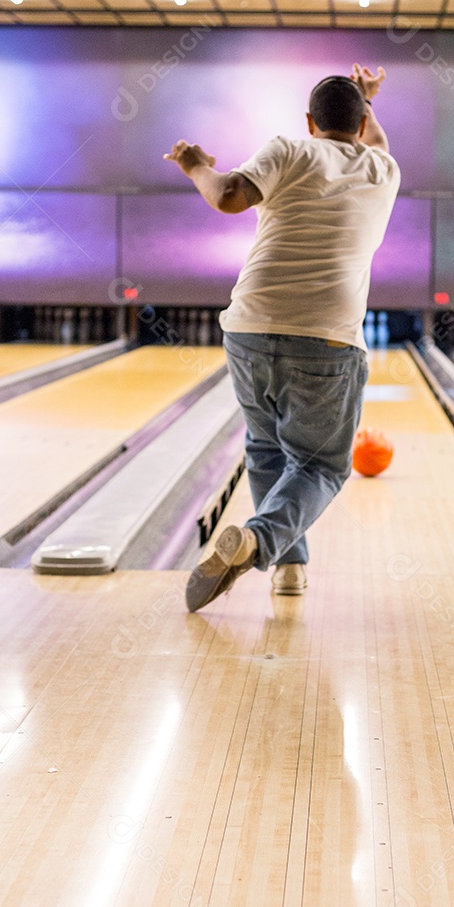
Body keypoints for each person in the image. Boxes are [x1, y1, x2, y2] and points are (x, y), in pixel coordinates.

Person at [164, 63, 400, 612]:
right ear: (364, 124)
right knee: (320, 467)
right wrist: (367, 99)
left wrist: (195, 164)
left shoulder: (288, 149)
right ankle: (261, 542)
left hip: (247, 326)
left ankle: (289, 571)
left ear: (308, 121)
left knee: (265, 446)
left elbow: (226, 196)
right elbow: (378, 139)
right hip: (327, 339)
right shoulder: (382, 169)